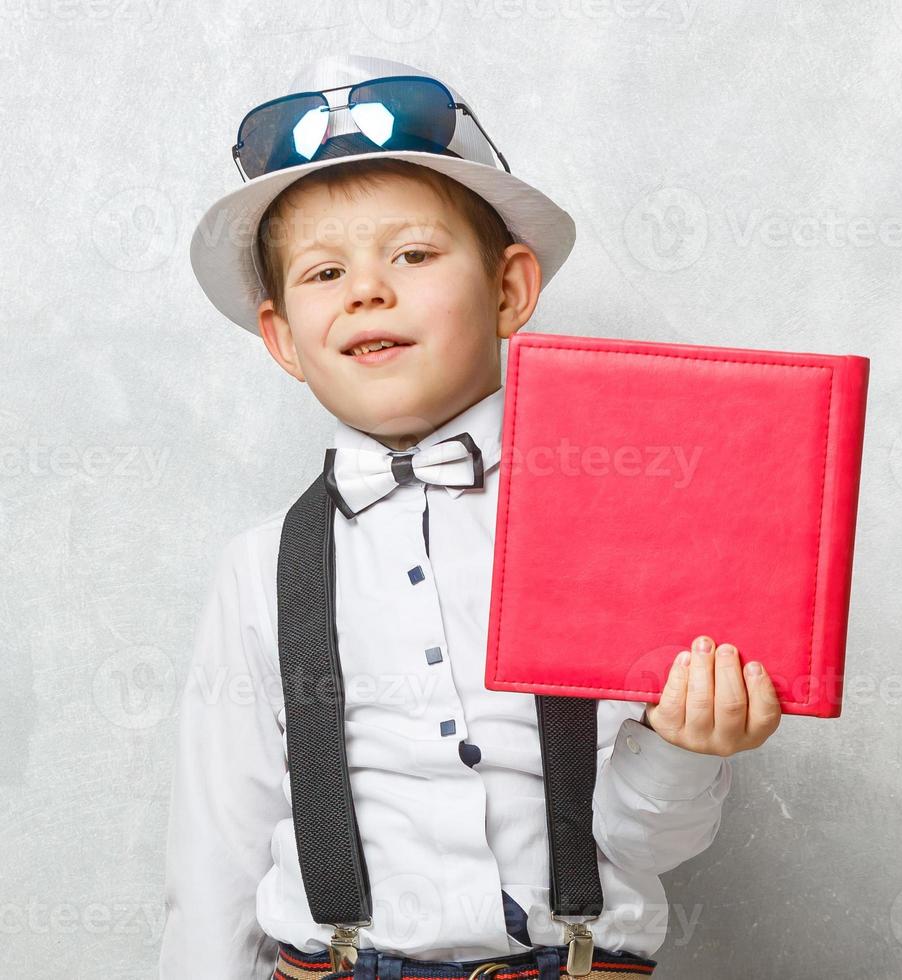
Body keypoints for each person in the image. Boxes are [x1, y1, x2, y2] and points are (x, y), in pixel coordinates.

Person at [160, 52, 782, 980]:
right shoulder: (261, 569)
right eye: (325, 271)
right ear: (284, 336)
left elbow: (649, 844)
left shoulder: (611, 530)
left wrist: (683, 748)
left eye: (412, 255)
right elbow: (217, 853)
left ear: (509, 289)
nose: (369, 288)